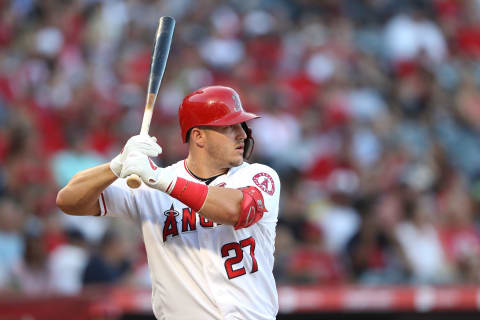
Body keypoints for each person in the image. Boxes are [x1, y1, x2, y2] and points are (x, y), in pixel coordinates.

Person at [56, 86, 281, 320]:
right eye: (230, 127)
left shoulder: (258, 176)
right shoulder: (148, 188)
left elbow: (234, 209)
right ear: (199, 136)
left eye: (242, 125)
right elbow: (69, 201)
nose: (242, 134)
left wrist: (158, 177)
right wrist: (116, 165)